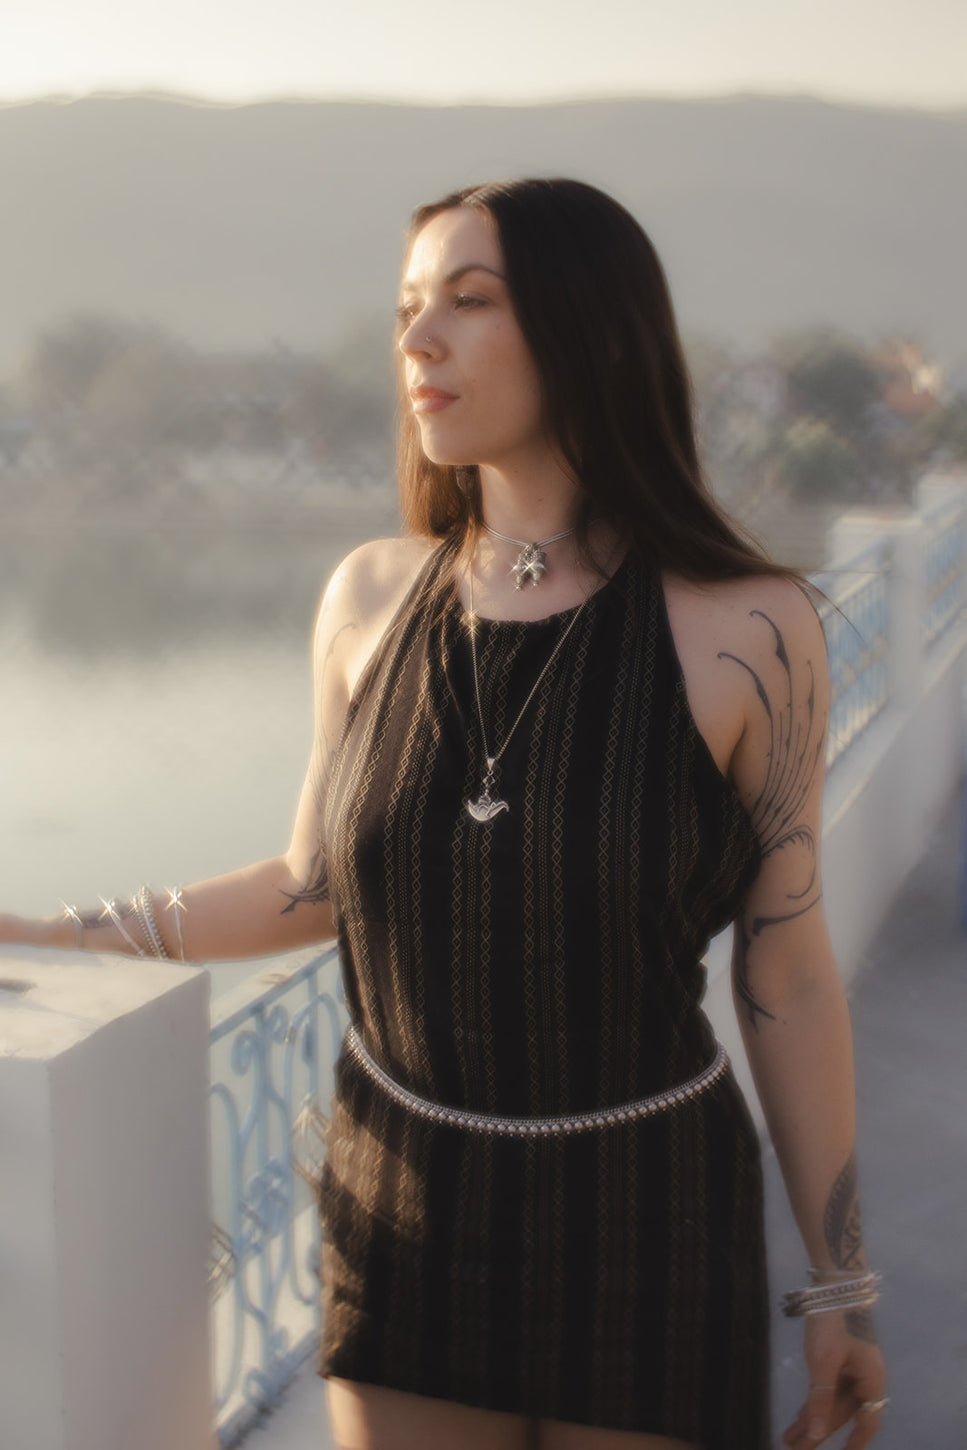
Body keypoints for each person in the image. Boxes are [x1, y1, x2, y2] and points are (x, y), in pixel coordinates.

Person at [1, 179, 887, 1450]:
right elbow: (314, 887)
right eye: (409, 307)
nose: (417, 341)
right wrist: (51, 930)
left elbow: (788, 971)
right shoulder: (367, 598)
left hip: (646, 1216)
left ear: (597, 332)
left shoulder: (746, 627)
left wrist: (838, 1280)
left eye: (469, 303)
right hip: (400, 1210)